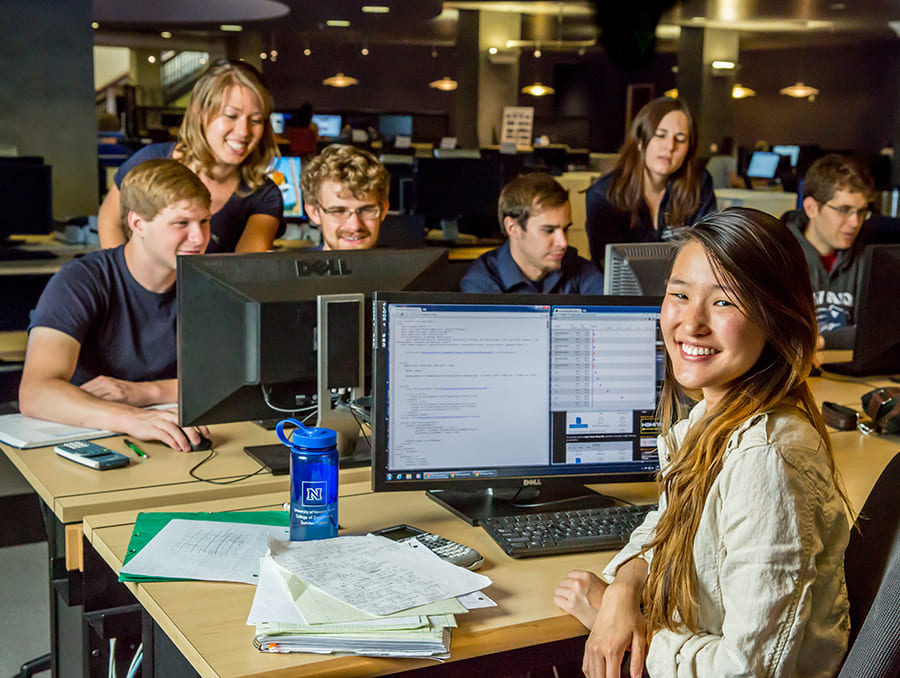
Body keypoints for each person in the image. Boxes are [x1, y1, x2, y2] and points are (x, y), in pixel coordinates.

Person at [554, 207, 851, 677]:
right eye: (679, 294)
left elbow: (747, 672)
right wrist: (624, 587)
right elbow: (664, 526)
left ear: (776, 318)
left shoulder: (767, 459)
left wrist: (627, 625)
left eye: (724, 302)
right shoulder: (708, 424)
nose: (691, 323)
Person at [20, 159, 212, 452]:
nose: (199, 238)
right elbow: (35, 392)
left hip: (180, 432)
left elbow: (241, 383)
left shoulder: (211, 282)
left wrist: (143, 394)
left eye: (204, 221)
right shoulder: (80, 280)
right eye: (181, 223)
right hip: (90, 435)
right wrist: (132, 417)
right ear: (138, 224)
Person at [97, 59, 283, 254]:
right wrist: (123, 280)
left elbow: (244, 271)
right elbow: (110, 221)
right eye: (230, 115)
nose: (244, 131)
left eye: (255, 120)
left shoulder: (264, 196)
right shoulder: (151, 161)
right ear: (200, 112)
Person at [584, 97, 717, 272]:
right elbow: (607, 268)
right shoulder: (603, 195)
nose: (670, 146)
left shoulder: (700, 183)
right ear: (640, 141)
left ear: (689, 148)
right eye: (660, 135)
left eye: (681, 139)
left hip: (684, 289)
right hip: (625, 296)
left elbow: (709, 250)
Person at [783, 153, 873, 350]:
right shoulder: (779, 255)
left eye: (861, 212)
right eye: (843, 210)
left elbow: (876, 333)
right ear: (811, 208)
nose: (855, 222)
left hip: (847, 373)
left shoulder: (869, 260)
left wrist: (821, 341)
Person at [460, 172, 604, 294]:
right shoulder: (480, 284)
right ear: (513, 228)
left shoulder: (579, 269)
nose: (563, 242)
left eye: (565, 229)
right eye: (549, 231)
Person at [300, 144, 390, 250]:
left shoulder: (408, 266)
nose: (354, 226)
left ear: (384, 210)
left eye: (366, 210)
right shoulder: (289, 266)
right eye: (338, 211)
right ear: (314, 212)